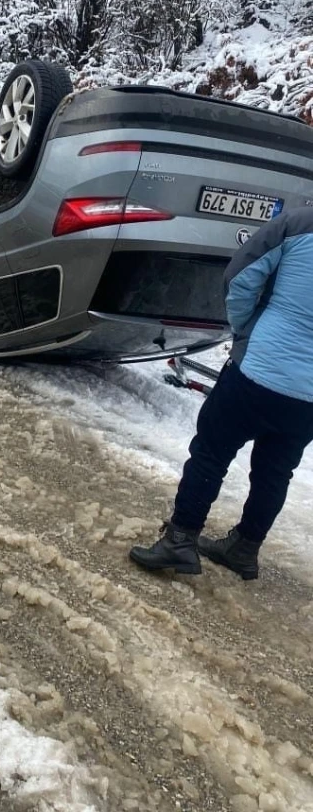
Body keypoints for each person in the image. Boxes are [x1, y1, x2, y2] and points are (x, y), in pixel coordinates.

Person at [129, 207, 313, 581]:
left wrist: (243, 330)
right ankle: (244, 548)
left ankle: (180, 540)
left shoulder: (299, 224)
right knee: (276, 471)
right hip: (308, 398)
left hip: (258, 369)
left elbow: (240, 276)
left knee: (212, 451)